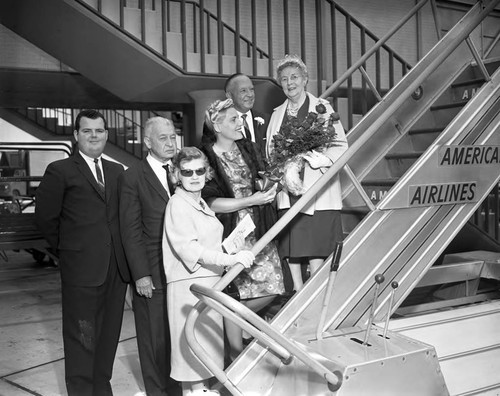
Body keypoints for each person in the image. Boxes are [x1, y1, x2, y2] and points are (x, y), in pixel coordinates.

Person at [35, 109, 131, 395]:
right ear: (76, 135)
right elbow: (45, 219)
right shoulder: (60, 170)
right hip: (81, 270)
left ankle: (102, 389)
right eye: (87, 130)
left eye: (99, 130)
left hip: (114, 270)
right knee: (81, 336)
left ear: (106, 135)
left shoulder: (116, 172)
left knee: (108, 335)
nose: (93, 136)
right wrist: (70, 251)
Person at [162, 147, 254, 396]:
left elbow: (206, 245)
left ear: (207, 172)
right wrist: (230, 258)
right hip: (189, 287)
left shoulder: (198, 202)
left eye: (200, 170)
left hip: (209, 284)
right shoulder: (177, 205)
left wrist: (232, 249)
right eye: (187, 172)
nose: (194, 176)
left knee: (203, 353)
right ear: (176, 176)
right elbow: (190, 249)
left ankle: (200, 391)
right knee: (192, 353)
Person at [200, 98, 285, 360]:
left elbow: (265, 178)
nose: (240, 122)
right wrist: (251, 200)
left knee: (275, 288)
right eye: (233, 119)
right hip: (231, 237)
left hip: (259, 230)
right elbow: (212, 202)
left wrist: (272, 184)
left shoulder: (248, 147)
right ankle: (234, 360)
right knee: (238, 290)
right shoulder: (206, 156)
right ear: (217, 125)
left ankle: (236, 323)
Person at [265, 55, 349, 292]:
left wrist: (326, 160)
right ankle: (298, 290)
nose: (289, 82)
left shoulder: (323, 108)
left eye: (294, 77)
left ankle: (314, 289)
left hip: (317, 185)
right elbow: (271, 151)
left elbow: (340, 145)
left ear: (305, 79)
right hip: (289, 186)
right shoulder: (276, 114)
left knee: (315, 243)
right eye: (284, 79)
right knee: (294, 241)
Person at [119, 117, 179, 396]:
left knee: (177, 335)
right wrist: (140, 274)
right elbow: (130, 230)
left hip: (181, 269)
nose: (171, 143)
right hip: (151, 272)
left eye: (173, 136)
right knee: (153, 338)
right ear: (147, 142)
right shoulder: (132, 176)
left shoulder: (183, 171)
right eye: (163, 138)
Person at [224, 73, 270, 156]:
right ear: (229, 96)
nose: (250, 95)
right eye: (243, 91)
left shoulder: (267, 120)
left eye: (252, 89)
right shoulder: (221, 124)